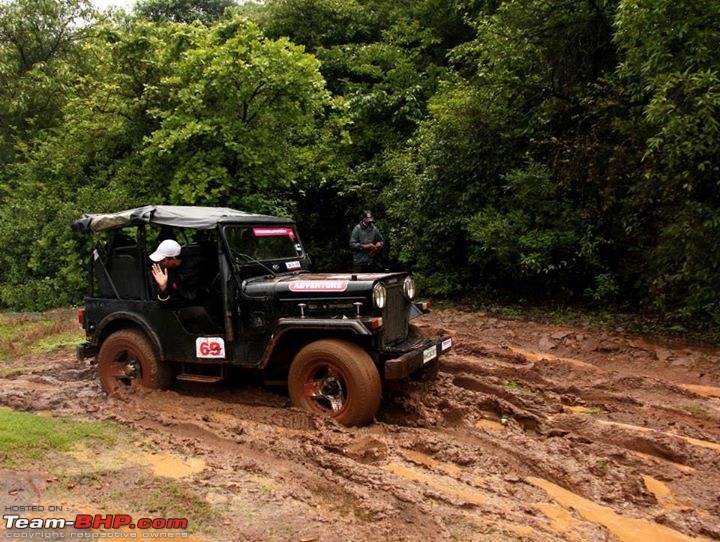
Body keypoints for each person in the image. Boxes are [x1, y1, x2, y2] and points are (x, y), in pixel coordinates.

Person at [149, 239, 201, 306]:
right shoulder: (164, 271)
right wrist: (162, 287)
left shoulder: (191, 272)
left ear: (173, 258)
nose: (159, 263)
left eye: (162, 261)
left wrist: (165, 288)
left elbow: (189, 299)